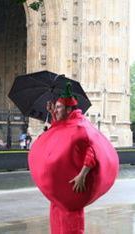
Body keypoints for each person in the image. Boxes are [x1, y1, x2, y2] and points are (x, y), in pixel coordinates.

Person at [28, 82, 119, 234]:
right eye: (55, 107)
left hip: (71, 190)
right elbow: (61, 132)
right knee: (57, 218)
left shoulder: (79, 127)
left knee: (71, 223)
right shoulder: (67, 123)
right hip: (60, 195)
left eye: (58, 107)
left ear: (69, 109)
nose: (56, 110)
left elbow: (91, 153)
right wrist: (52, 114)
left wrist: (82, 176)